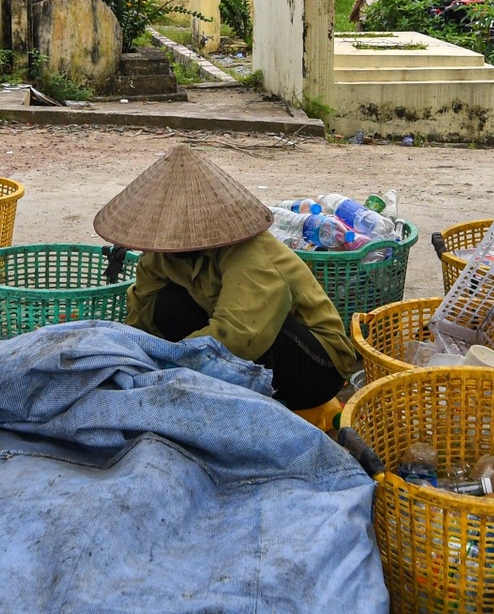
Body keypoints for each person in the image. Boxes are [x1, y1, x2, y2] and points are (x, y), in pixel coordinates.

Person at [95, 144, 356, 429]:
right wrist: (129, 359)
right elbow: (141, 313)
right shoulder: (159, 258)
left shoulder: (249, 254)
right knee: (166, 304)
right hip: (245, 339)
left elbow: (239, 335)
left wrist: (167, 366)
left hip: (316, 367)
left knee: (241, 335)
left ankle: (244, 402)